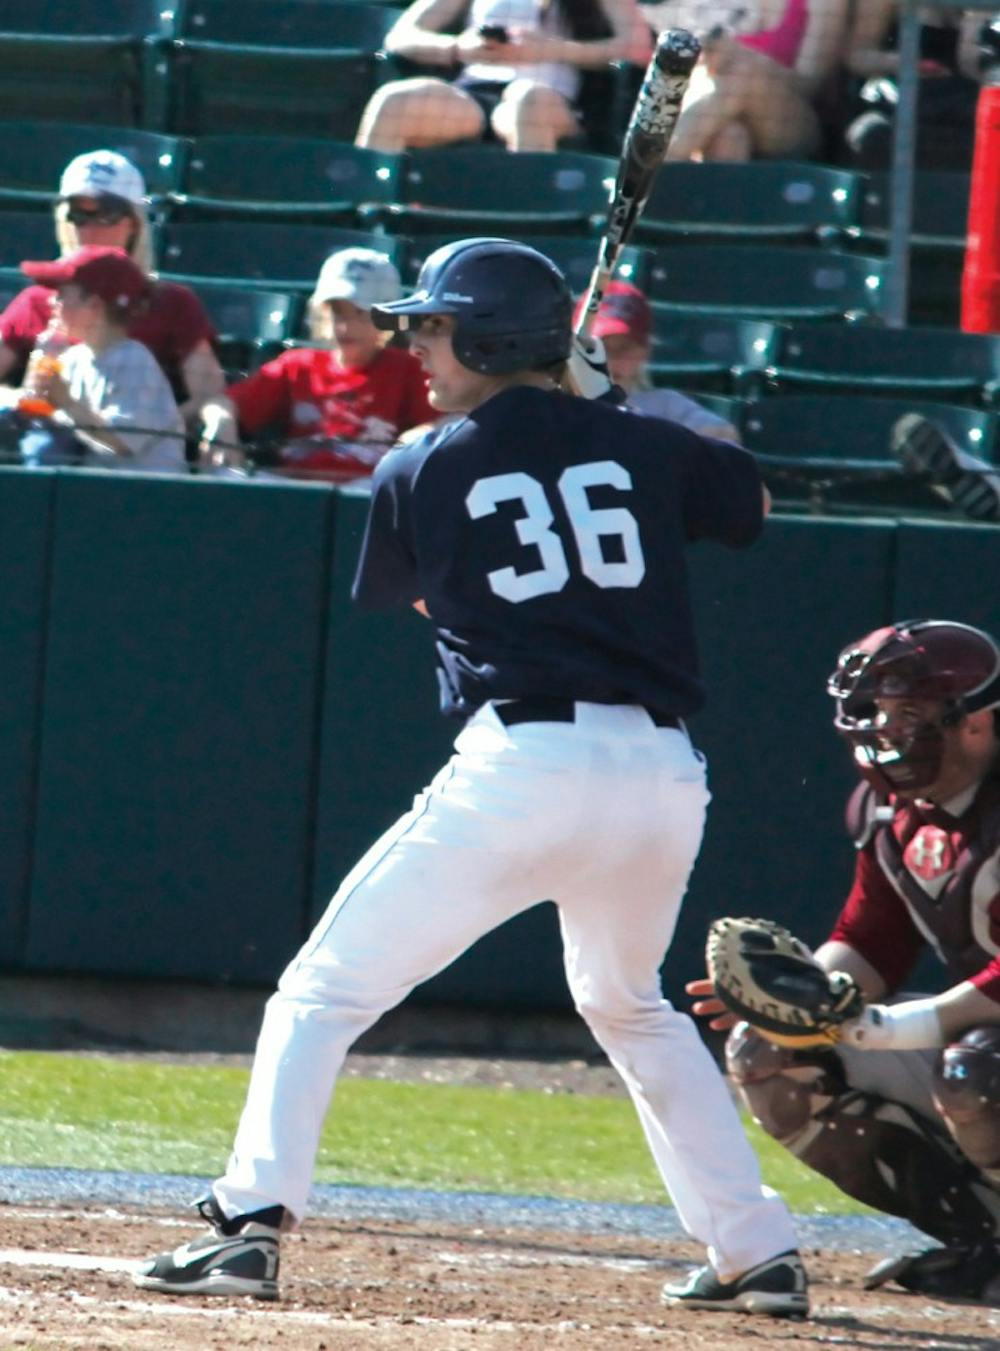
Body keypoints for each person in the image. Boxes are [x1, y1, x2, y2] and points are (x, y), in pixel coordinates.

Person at [134, 236, 808, 1317]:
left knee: (319, 991)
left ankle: (247, 1223)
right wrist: (603, 397)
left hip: (526, 765)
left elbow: (424, 596)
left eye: (434, 327)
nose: (417, 346)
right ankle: (755, 1248)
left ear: (493, 336)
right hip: (660, 778)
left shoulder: (421, 462)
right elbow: (747, 503)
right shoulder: (645, 445)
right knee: (630, 1003)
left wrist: (567, 411)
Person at [689, 617, 1000, 1303]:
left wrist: (890, 1028)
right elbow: (873, 937)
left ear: (977, 721)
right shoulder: (892, 810)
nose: (887, 730)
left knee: (980, 1071)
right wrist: (799, 992)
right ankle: (988, 1242)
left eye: (909, 713)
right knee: (768, 1052)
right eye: (879, 711)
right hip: (974, 1022)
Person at [0, 150, 224, 421]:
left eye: (105, 214)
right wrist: (22, 399)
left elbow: (209, 394)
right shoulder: (37, 299)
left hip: (136, 454)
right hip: (48, 449)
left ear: (134, 224)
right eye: (77, 215)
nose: (89, 229)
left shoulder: (173, 302)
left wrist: (149, 434)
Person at [197, 248, 435, 482]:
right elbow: (223, 402)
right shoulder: (298, 365)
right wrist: (222, 422)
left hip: (369, 492)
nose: (345, 327)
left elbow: (449, 421)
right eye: (337, 312)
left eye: (361, 314)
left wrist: (421, 436)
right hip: (296, 491)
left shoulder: (408, 369)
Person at [354, 0, 653, 153]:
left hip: (549, 99)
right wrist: (458, 47)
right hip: (474, 96)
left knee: (526, 102)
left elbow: (638, 47)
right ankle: (366, 237)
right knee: (394, 102)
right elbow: (401, 36)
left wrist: (552, 50)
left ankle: (531, 236)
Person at [16, 246, 187, 473]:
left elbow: (122, 442)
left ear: (94, 306)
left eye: (61, 295)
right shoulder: (72, 359)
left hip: (149, 496)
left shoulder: (134, 361)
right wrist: (34, 393)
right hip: (95, 492)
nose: (51, 302)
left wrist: (66, 402)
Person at [642, 0, 851, 161]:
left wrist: (743, 57)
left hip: (792, 123)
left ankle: (647, 172)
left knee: (741, 75)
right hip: (709, 108)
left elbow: (809, 87)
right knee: (731, 137)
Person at [576, 280, 740, 439]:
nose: (609, 360)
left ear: (645, 351)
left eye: (624, 348)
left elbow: (725, 434)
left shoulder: (664, 405)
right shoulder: (560, 405)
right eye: (597, 348)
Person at [891, 412, 1000, 523]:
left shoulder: (982, 474)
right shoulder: (903, 494)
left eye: (929, 441)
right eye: (921, 446)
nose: (931, 452)